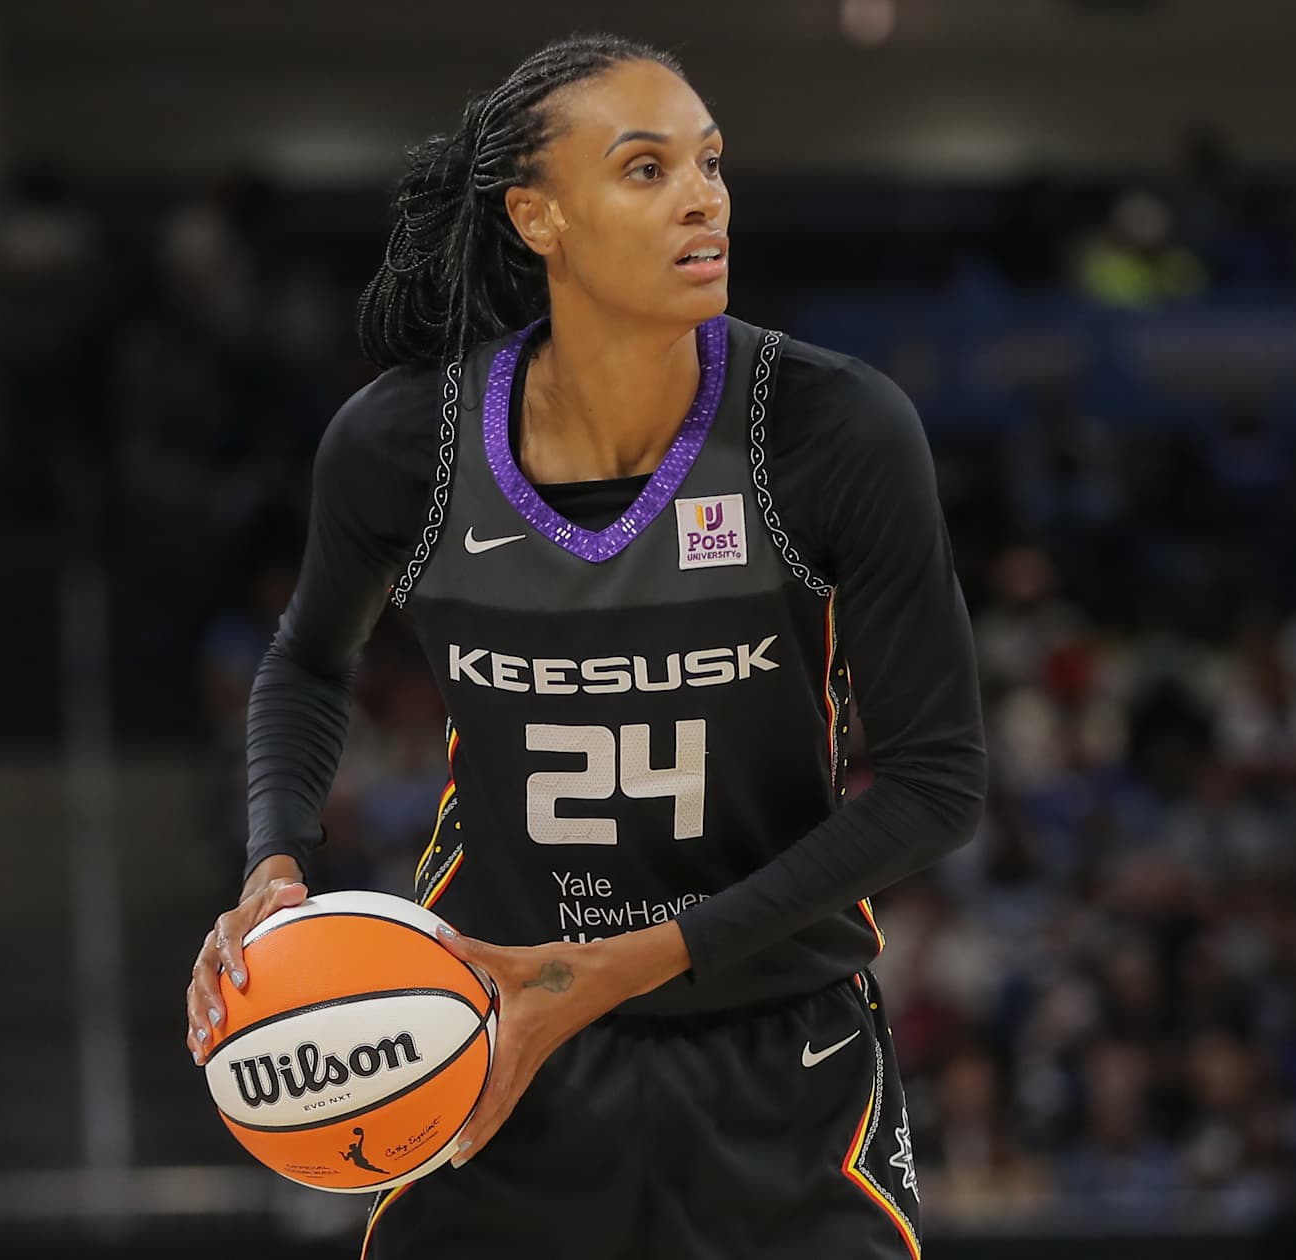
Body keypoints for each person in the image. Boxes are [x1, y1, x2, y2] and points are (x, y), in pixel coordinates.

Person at [185, 33, 985, 1260]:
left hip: (780, 1054)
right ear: (538, 216)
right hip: (490, 1041)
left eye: (711, 163)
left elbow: (937, 782)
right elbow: (306, 658)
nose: (705, 196)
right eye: (647, 168)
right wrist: (274, 870)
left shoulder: (832, 428)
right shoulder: (407, 445)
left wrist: (626, 962)